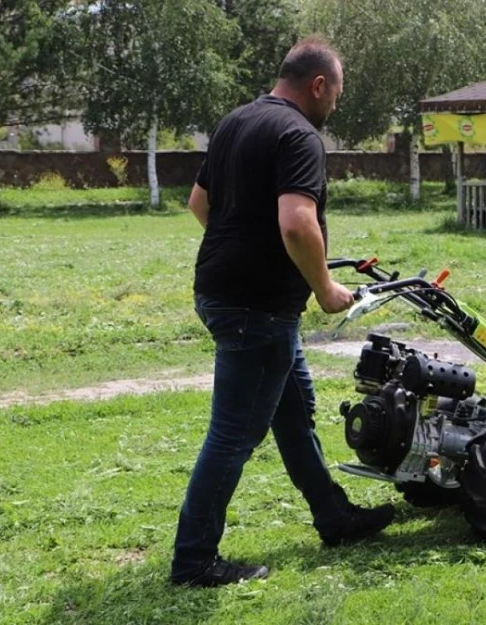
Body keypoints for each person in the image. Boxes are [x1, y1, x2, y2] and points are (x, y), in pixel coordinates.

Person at [170, 36, 394, 588]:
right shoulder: (298, 135)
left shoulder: (235, 121)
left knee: (293, 415)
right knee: (233, 434)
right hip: (257, 309)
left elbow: (200, 204)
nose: (334, 106)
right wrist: (322, 287)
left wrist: (246, 249)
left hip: (225, 293)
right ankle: (194, 560)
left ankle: (335, 517)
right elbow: (297, 223)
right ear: (319, 85)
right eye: (336, 95)